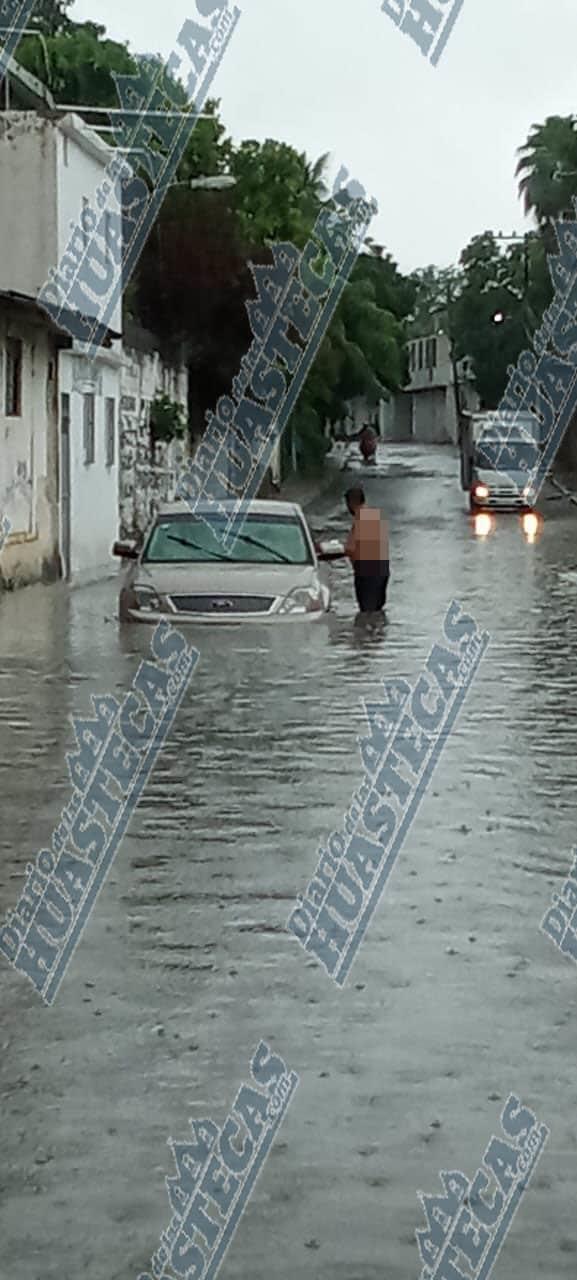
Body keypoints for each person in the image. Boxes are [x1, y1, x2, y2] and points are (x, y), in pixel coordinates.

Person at [344, 485, 390, 613]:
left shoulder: (359, 519)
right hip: (382, 571)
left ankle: (365, 632)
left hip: (367, 574)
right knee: (377, 611)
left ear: (351, 503)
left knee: (366, 613)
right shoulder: (375, 516)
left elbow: (351, 548)